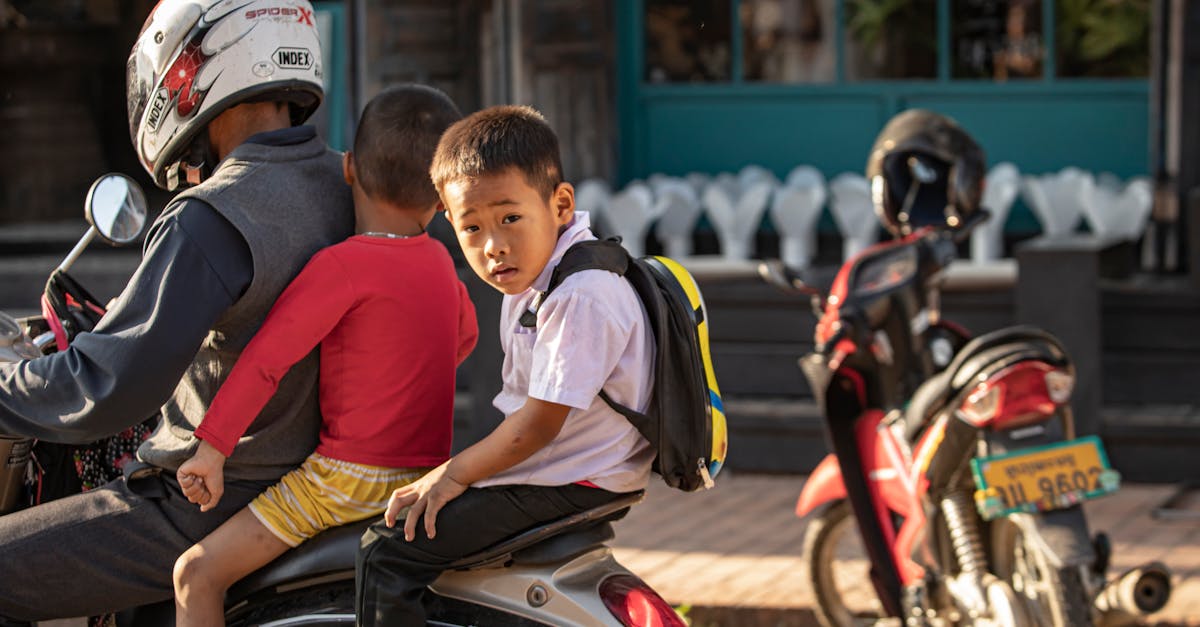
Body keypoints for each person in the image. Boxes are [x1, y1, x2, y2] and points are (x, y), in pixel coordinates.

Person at [0, 0, 357, 620]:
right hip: (309, 484)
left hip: (204, 498)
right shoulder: (350, 183)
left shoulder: (214, 213)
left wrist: (7, 384)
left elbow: (107, 387)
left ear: (189, 69)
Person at [170, 83, 475, 626]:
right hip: (423, 480)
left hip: (342, 483)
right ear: (442, 195)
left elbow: (268, 359)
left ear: (350, 167)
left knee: (196, 574)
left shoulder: (341, 266)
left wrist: (211, 450)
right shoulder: (443, 271)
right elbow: (465, 339)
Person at [355, 105, 657, 625]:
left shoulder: (579, 294)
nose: (494, 246)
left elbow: (537, 427)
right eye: (472, 227)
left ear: (560, 204)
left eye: (510, 218)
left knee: (385, 548)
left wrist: (450, 476)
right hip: (566, 468)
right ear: (449, 223)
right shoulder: (537, 277)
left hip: (572, 479)